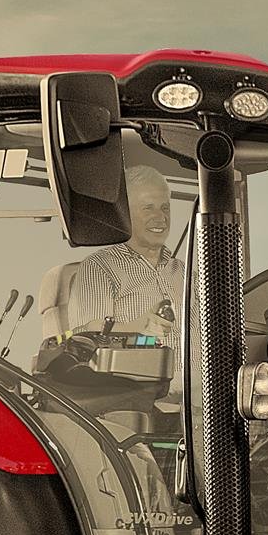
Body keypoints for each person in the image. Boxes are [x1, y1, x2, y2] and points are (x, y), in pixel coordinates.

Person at [44, 158, 183, 378]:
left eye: (164, 207)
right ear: (124, 213)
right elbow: (86, 344)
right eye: (148, 208)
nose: (160, 217)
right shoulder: (100, 268)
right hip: (138, 398)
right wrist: (138, 327)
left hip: (204, 397)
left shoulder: (187, 274)